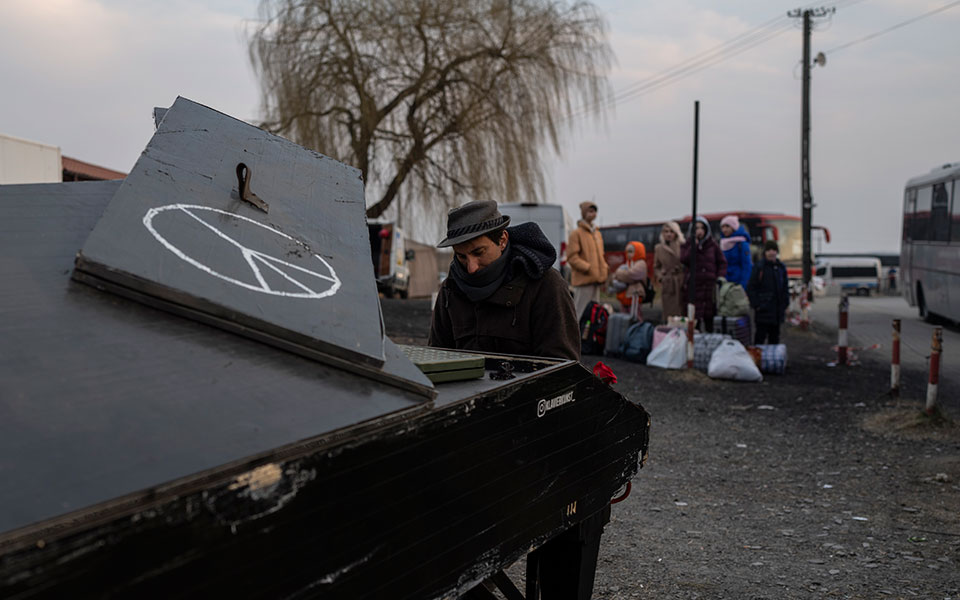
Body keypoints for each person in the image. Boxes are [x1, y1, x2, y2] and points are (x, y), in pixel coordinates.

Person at [429, 200, 580, 361]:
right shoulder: (450, 289)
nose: (471, 268)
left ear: (502, 240)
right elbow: (436, 359)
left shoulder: (546, 285)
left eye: (478, 252)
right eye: (461, 256)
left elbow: (562, 368)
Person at [681, 216, 727, 332]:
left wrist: (720, 276)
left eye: (702, 228)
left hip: (709, 288)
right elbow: (684, 259)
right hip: (694, 287)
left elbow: (722, 262)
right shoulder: (687, 245)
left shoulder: (713, 245)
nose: (699, 231)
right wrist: (694, 245)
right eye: (696, 228)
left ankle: (709, 343)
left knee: (709, 318)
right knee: (694, 319)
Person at [567, 200, 609, 321]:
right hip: (583, 280)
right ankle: (575, 339)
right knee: (579, 313)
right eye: (590, 211)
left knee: (594, 314)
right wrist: (588, 268)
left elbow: (601, 255)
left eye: (595, 211)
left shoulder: (597, 234)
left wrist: (604, 269)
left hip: (596, 279)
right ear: (584, 213)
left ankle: (590, 339)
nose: (593, 213)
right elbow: (572, 257)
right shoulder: (576, 234)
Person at [747, 240, 789, 344]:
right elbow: (751, 287)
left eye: (774, 250)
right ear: (765, 252)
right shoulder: (759, 267)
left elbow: (785, 288)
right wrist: (757, 305)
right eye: (769, 250)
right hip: (763, 312)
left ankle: (771, 360)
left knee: (774, 339)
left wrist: (785, 305)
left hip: (777, 312)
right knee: (759, 339)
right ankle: (757, 359)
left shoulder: (781, 267)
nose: (771, 252)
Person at [654, 221, 685, 321]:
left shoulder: (683, 245)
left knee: (682, 311)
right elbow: (656, 266)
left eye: (671, 231)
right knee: (669, 312)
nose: (668, 234)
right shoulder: (658, 248)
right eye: (666, 231)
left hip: (681, 282)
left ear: (676, 233)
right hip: (668, 283)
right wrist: (661, 277)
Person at [612, 241, 647, 320]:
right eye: (627, 251)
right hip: (625, 295)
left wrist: (618, 273)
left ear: (638, 251)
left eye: (631, 251)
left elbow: (631, 275)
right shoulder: (628, 263)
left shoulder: (641, 263)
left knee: (635, 316)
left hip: (635, 294)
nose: (628, 254)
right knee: (624, 317)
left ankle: (636, 330)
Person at [719, 215, 752, 289]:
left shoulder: (742, 244)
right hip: (725, 283)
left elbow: (746, 266)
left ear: (733, 227)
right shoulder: (722, 243)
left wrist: (742, 285)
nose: (724, 230)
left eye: (727, 226)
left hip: (737, 284)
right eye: (722, 227)